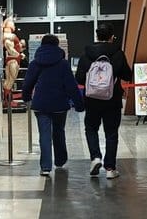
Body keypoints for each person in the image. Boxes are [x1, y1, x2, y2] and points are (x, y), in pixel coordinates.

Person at [76, 23, 133, 179]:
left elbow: (79, 78)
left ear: (97, 36)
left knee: (91, 128)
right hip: (112, 100)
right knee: (111, 133)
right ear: (111, 37)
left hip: (92, 99)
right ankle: (110, 168)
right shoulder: (118, 53)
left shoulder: (87, 54)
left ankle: (95, 157)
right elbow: (128, 76)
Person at [22, 34, 84, 176]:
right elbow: (71, 86)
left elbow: (27, 84)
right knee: (59, 131)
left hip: (40, 104)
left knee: (44, 134)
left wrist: (26, 98)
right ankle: (60, 160)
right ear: (57, 46)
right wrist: (79, 104)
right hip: (59, 104)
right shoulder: (63, 64)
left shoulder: (35, 63)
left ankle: (45, 167)